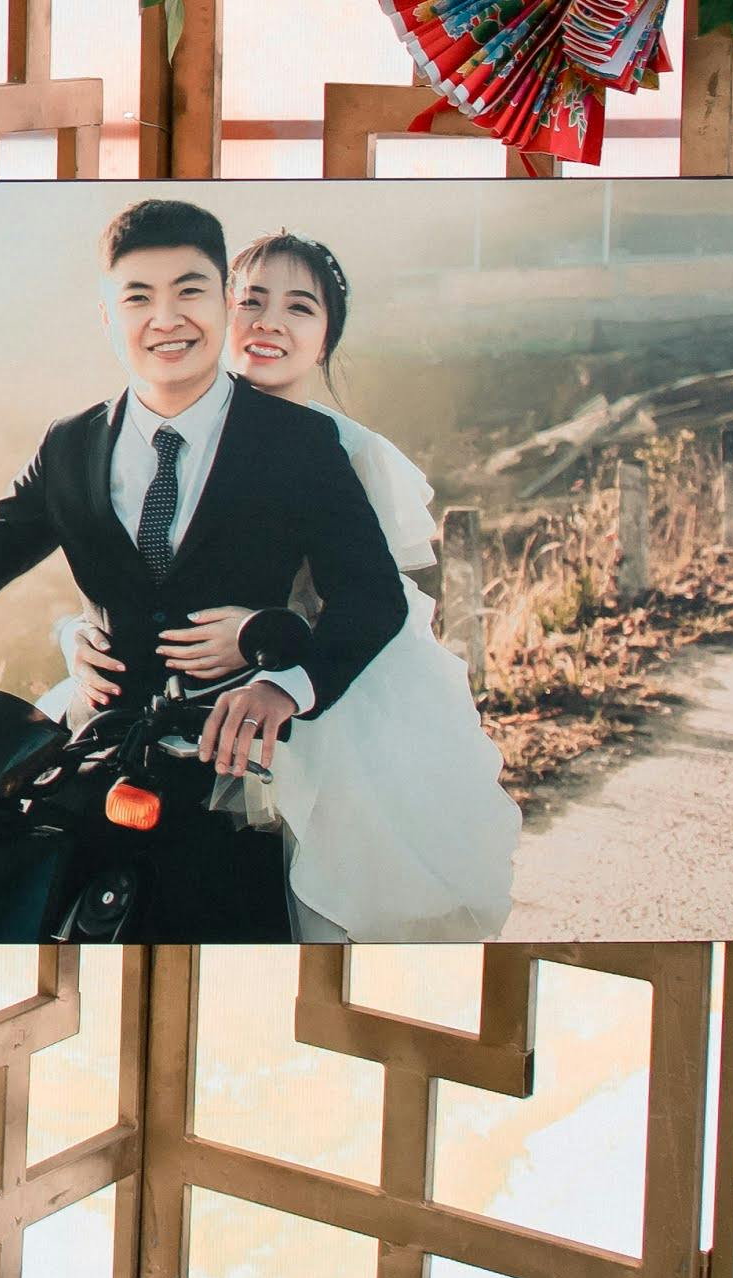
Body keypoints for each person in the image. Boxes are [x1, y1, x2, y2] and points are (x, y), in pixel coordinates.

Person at [0, 195, 406, 941]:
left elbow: (373, 596)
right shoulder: (70, 443)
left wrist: (283, 685)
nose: (166, 318)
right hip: (97, 739)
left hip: (233, 770)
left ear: (224, 303)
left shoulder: (298, 443)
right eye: (138, 297)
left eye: (190, 291)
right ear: (107, 316)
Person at [89, 232, 519, 942]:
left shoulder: (342, 450)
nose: (269, 323)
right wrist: (83, 635)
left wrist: (266, 642)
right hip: (180, 697)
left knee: (316, 893)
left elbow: (371, 599)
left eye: (299, 307)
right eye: (250, 302)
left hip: (324, 699)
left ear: (324, 339)